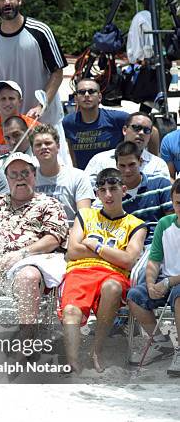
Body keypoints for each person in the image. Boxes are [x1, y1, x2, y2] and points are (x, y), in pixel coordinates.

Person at [60, 168, 148, 373]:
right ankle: (73, 363)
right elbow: (73, 251)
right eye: (102, 190)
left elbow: (128, 261)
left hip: (113, 275)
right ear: (97, 193)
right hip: (80, 271)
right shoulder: (85, 215)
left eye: (113, 188)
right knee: (71, 311)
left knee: (112, 288)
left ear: (123, 190)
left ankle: (96, 350)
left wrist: (96, 246)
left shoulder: (136, 225)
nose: (108, 195)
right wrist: (113, 255)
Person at [0, 0, 69, 160]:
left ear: (19, 0)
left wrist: (42, 105)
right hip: (11, 131)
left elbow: (57, 72)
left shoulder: (41, 32)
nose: (7, 2)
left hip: (45, 123)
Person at [0, 152, 68, 324]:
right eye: (14, 174)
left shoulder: (48, 204)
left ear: (34, 175)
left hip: (27, 262)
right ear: (7, 178)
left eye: (25, 173)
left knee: (28, 277)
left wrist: (21, 255)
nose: (20, 178)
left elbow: (54, 238)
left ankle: (26, 341)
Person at [127, 179, 180, 373]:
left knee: (178, 296)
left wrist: (168, 282)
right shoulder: (165, 224)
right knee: (135, 296)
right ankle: (161, 344)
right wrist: (150, 284)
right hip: (165, 281)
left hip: (175, 284)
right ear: (173, 203)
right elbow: (154, 259)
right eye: (178, 203)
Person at [85, 112, 170, 187]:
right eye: (136, 127)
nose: (141, 133)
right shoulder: (100, 160)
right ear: (125, 130)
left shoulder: (158, 165)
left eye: (147, 130)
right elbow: (86, 190)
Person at [112, 141, 172, 244]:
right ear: (116, 165)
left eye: (131, 164)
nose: (127, 170)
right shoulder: (113, 195)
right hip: (131, 249)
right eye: (122, 166)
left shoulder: (160, 184)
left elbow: (173, 223)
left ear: (140, 161)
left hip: (164, 245)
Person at [63, 78, 131, 169]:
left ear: (99, 97)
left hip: (112, 179)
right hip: (85, 179)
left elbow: (151, 131)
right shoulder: (69, 122)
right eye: (82, 92)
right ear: (76, 98)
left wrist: (152, 160)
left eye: (91, 91)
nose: (86, 95)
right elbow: (71, 145)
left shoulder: (117, 118)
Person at [32, 123, 94, 222]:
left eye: (48, 143)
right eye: (38, 145)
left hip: (71, 231)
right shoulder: (28, 179)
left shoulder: (78, 177)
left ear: (58, 147)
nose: (43, 147)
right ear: (33, 151)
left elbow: (85, 218)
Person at [0, 80, 36, 161]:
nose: (7, 103)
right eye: (3, 99)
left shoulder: (34, 126)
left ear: (20, 101)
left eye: (11, 98)